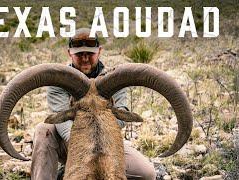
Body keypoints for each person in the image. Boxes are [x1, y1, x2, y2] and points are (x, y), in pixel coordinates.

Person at [31, 28, 156, 180]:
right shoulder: (59, 79)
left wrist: (99, 137)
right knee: (43, 130)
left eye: (89, 53)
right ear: (69, 53)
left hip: (106, 142)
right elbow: (60, 118)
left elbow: (122, 114)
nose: (84, 59)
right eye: (79, 54)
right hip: (68, 142)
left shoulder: (114, 78)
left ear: (99, 51)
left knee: (147, 174)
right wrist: (81, 148)